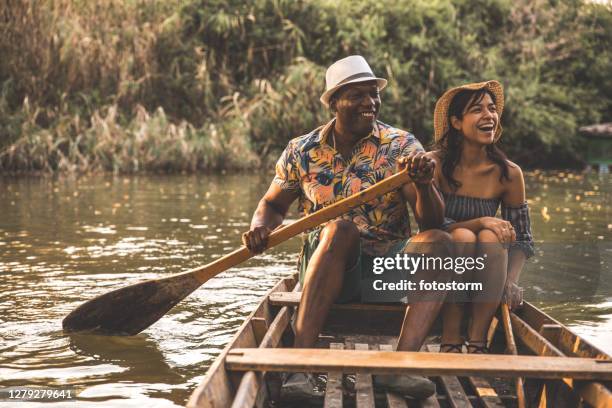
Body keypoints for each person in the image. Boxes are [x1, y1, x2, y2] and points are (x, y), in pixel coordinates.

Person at [242, 55, 451, 399]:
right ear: (334, 102)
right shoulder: (302, 150)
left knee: (439, 241)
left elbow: (430, 221)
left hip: (385, 266)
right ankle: (300, 368)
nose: (370, 103)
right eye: (357, 95)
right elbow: (272, 205)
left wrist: (426, 184)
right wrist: (260, 227)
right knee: (340, 230)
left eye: (374, 94)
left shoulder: (401, 146)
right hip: (328, 262)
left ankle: (399, 367)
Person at [430, 81, 534, 353]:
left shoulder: (509, 174)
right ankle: (450, 339)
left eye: (492, 109)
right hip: (438, 261)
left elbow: (522, 240)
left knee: (491, 237)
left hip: (483, 265)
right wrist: (481, 221)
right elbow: (432, 225)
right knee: (463, 235)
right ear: (456, 122)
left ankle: (478, 342)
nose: (489, 116)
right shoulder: (435, 165)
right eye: (477, 110)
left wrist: (511, 282)